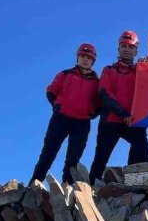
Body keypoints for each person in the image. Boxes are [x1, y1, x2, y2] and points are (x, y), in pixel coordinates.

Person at [30, 43, 101, 185]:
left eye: (89, 57)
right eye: (82, 56)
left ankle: (67, 187)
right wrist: (56, 106)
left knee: (73, 158)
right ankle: (34, 184)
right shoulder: (66, 74)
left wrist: (93, 113)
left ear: (93, 61)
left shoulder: (96, 82)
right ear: (77, 57)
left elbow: (100, 102)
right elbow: (51, 91)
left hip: (82, 122)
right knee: (48, 152)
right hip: (61, 118)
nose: (85, 59)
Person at [89, 30, 148, 184]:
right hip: (111, 121)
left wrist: (147, 66)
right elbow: (105, 94)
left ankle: (134, 186)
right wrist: (123, 114)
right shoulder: (109, 70)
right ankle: (90, 189)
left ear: (136, 50)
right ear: (118, 49)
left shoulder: (141, 71)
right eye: (123, 46)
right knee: (101, 157)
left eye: (130, 47)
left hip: (133, 121)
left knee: (142, 151)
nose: (126, 49)